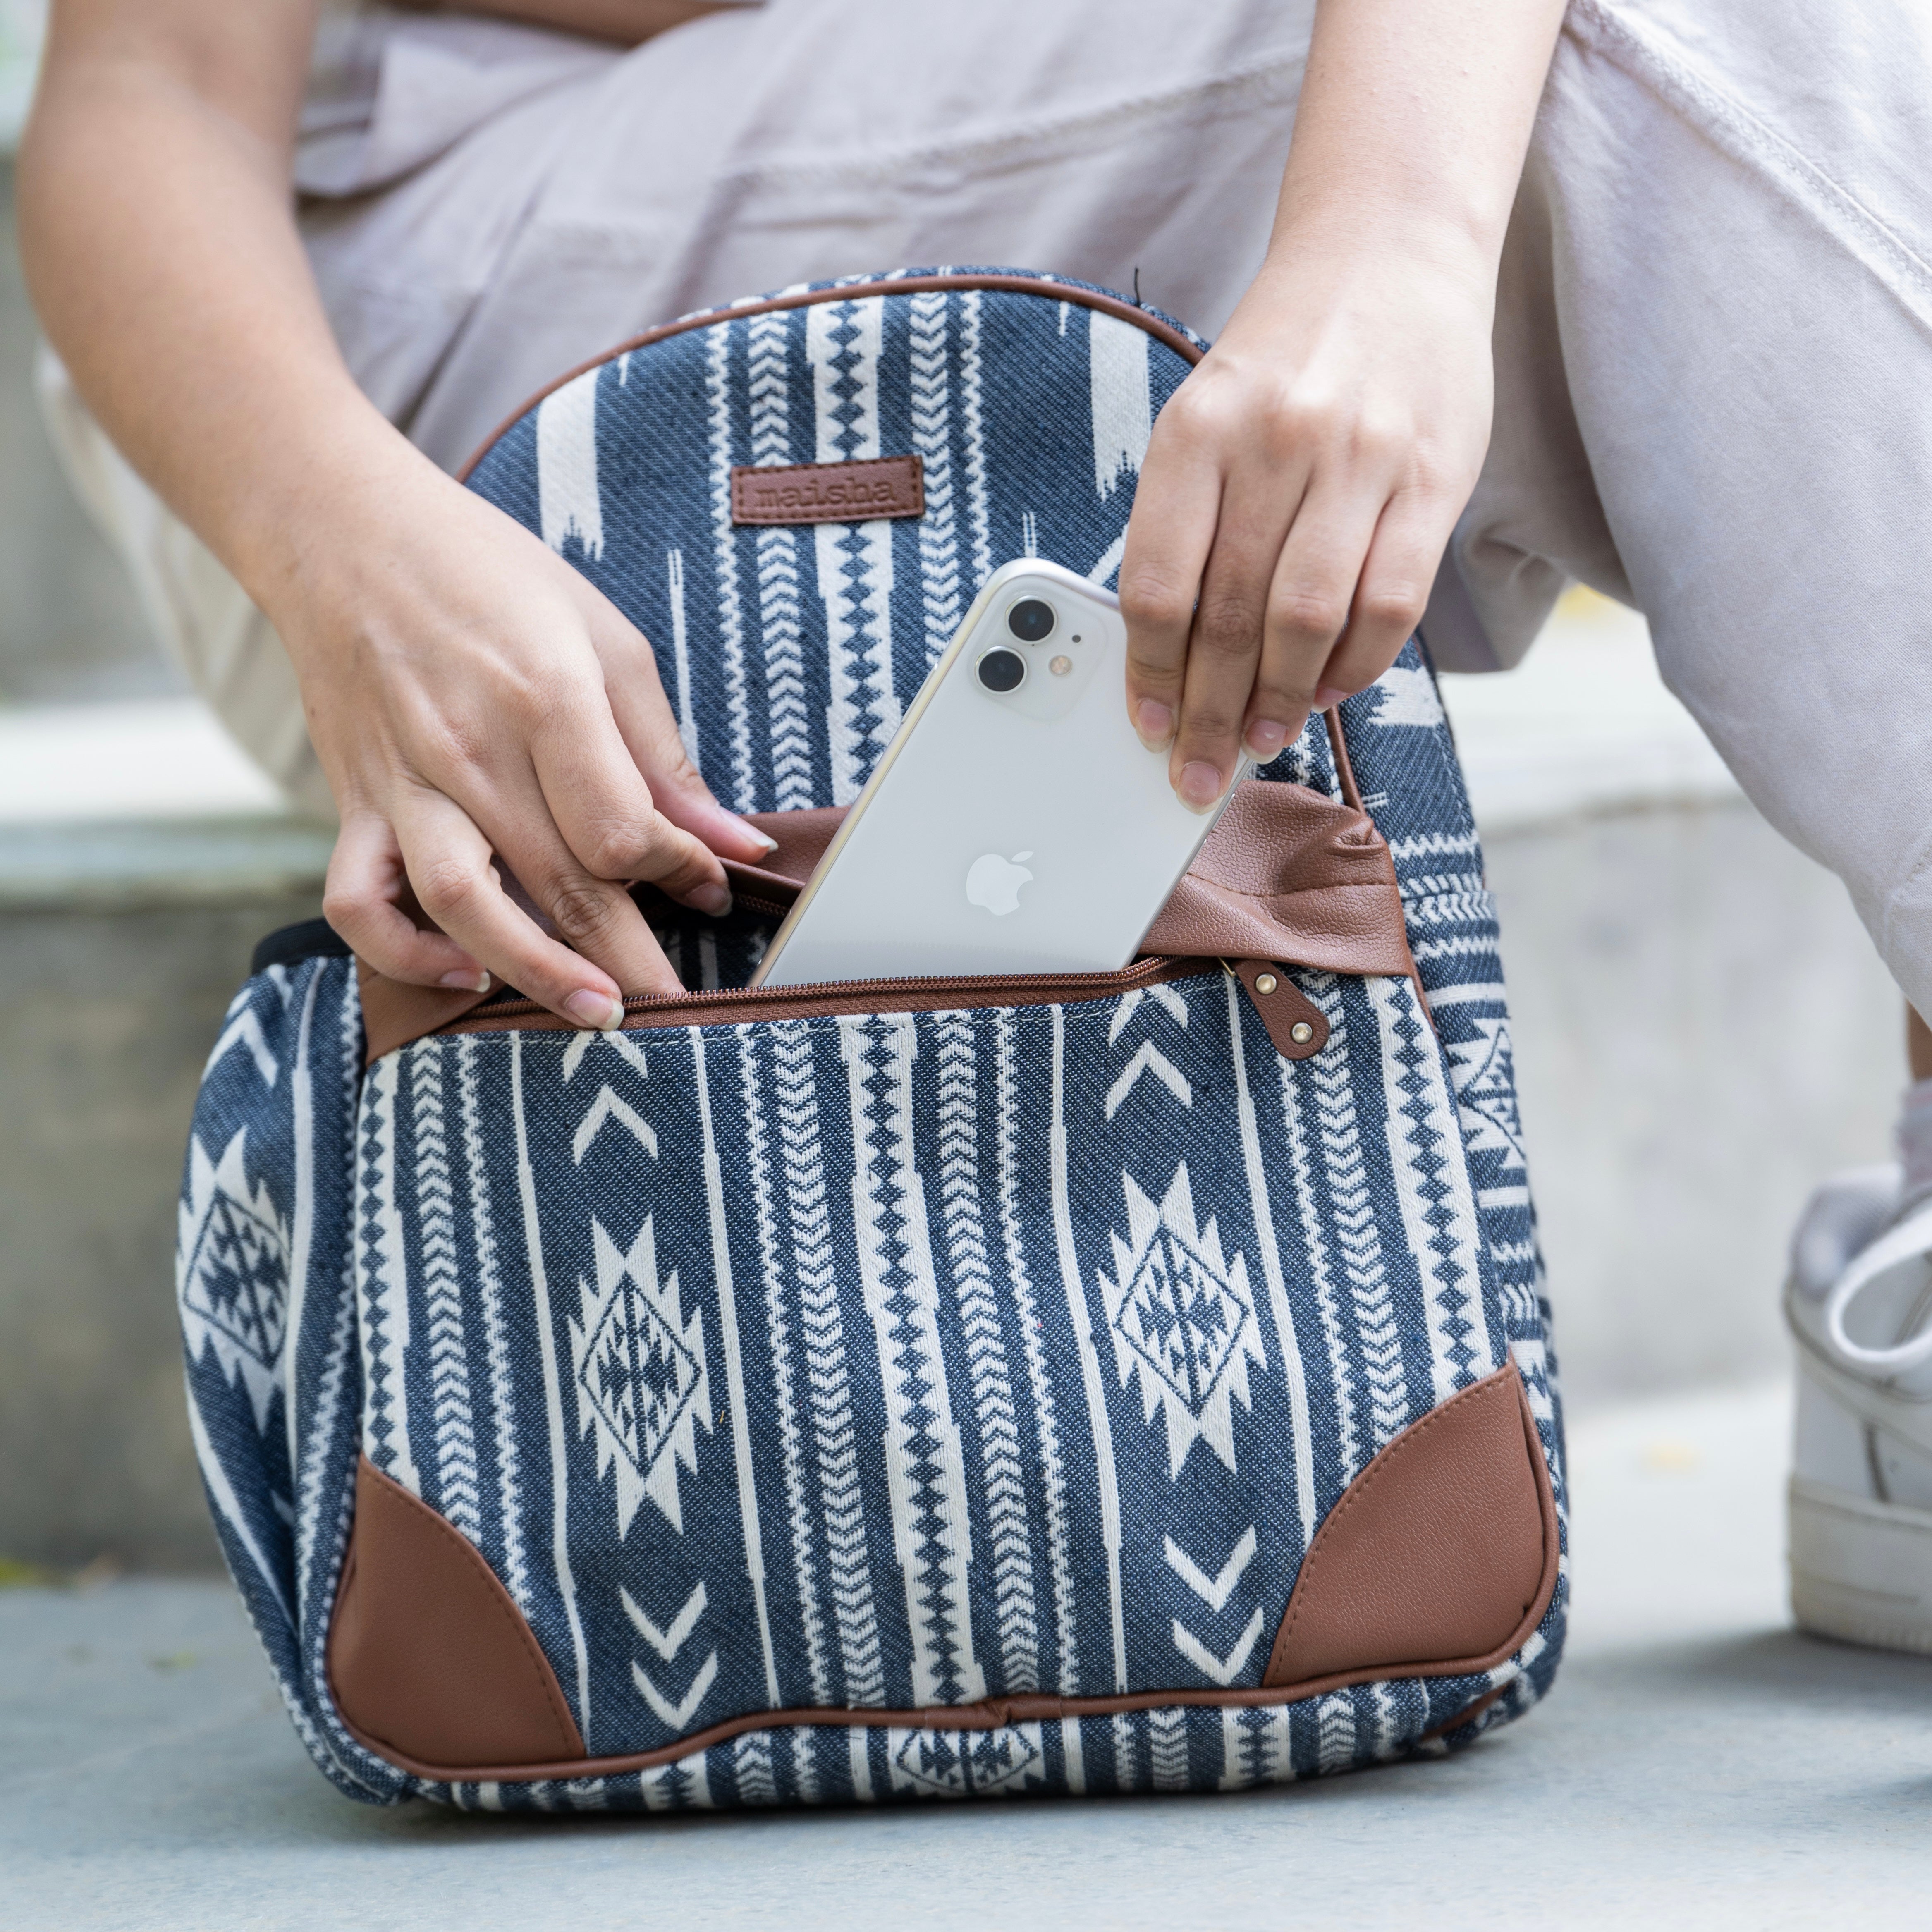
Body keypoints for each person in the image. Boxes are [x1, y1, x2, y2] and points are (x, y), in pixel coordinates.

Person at [19, 1, 1932, 1643]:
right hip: (369, 353)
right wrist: (347, 565)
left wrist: (1394, 240)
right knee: (1639, 49)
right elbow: (150, 90)